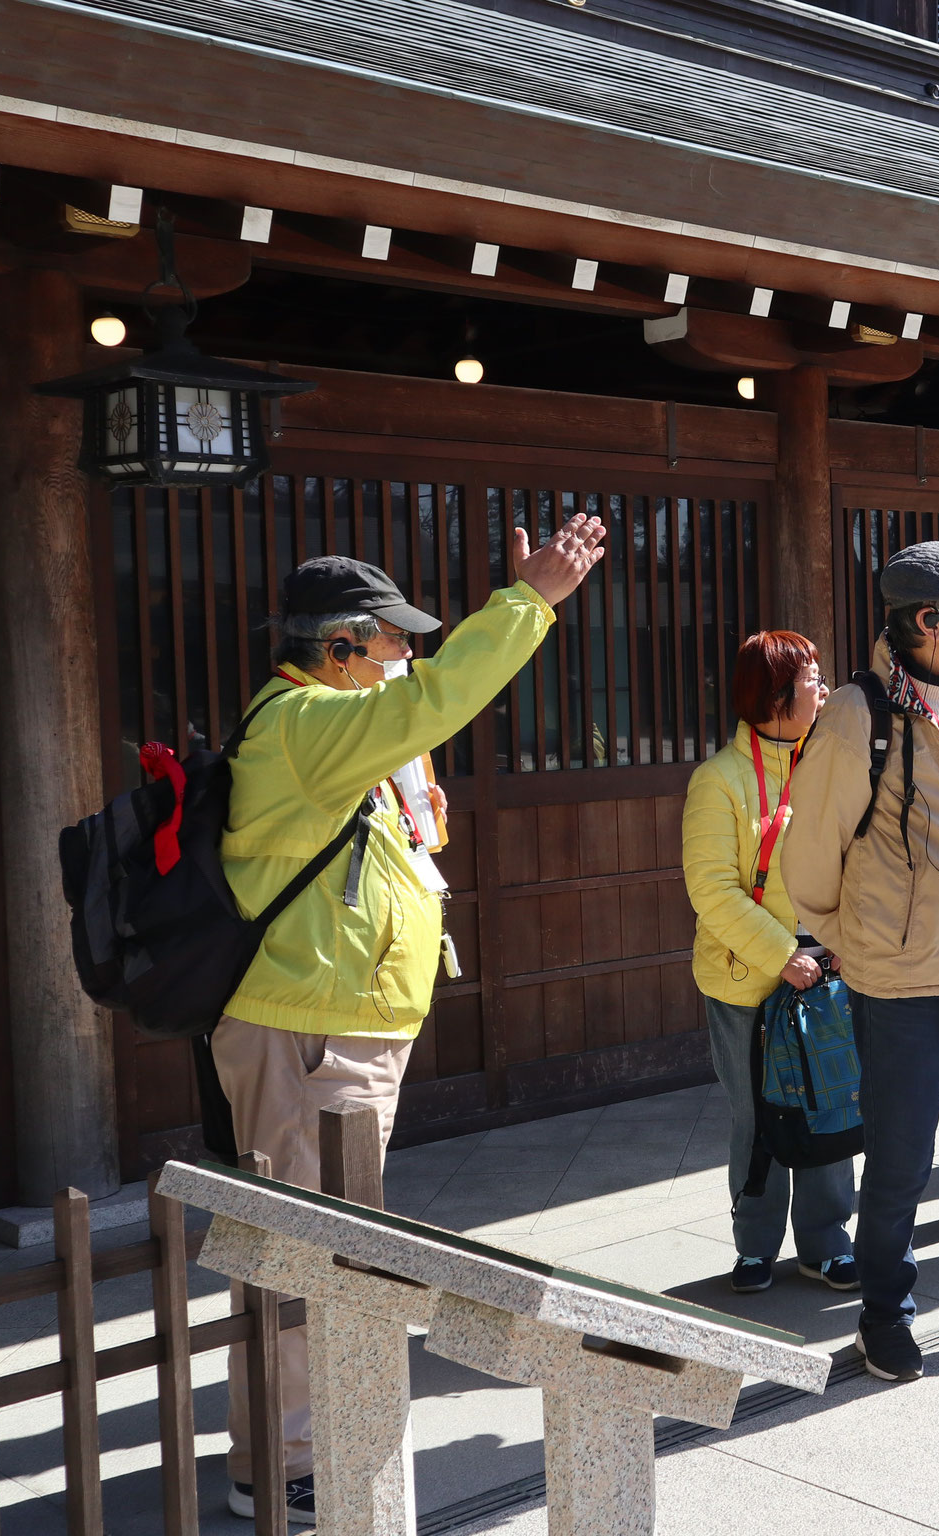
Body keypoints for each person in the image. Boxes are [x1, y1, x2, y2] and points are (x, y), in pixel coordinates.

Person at [216, 522, 605, 1524]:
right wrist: (531, 603)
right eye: (392, 641)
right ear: (340, 645)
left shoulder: (334, 725)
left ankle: (282, 1448)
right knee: (315, 1246)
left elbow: (422, 717)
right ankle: (295, 1459)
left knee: (306, 1241)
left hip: (333, 1022)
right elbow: (440, 697)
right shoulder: (301, 723)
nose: (409, 658)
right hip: (310, 1033)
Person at [783, 541, 939, 1384]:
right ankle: (885, 1315)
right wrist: (862, 942)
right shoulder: (857, 715)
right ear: (925, 620)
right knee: (900, 1162)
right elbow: (811, 859)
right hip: (902, 984)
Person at [684, 631, 858, 1297]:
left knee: (830, 1107)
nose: (823, 687)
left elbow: (857, 863)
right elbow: (712, 889)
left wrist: (849, 937)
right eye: (812, 677)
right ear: (780, 694)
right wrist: (783, 953)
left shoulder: (830, 768)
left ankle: (826, 1242)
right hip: (749, 979)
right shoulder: (718, 781)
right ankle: (755, 1245)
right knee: (757, 1116)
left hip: (830, 975)